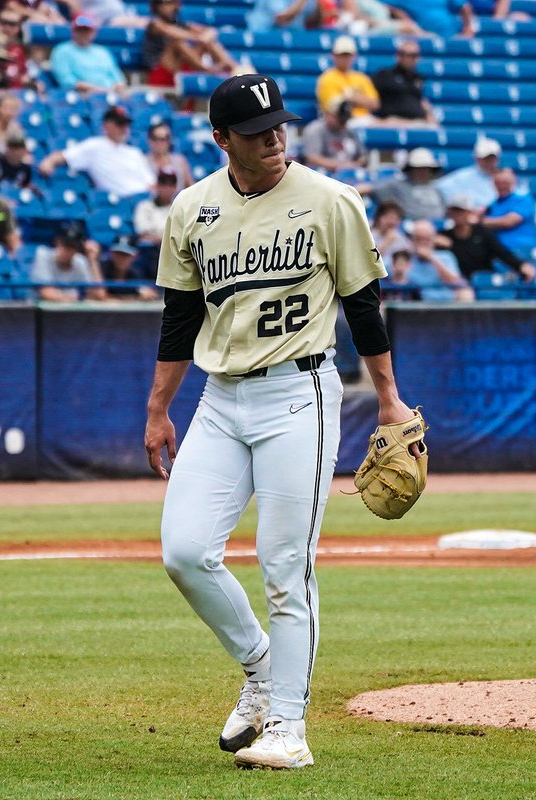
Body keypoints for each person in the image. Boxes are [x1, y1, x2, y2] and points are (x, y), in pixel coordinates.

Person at [146, 74, 420, 771]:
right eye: (256, 132)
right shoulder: (191, 209)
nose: (273, 139)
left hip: (298, 395)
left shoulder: (331, 201)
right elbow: (181, 321)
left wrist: (388, 397)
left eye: (279, 127)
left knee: (284, 568)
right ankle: (261, 668)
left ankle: (289, 729)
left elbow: (364, 305)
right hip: (219, 398)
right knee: (183, 550)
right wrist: (158, 408)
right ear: (221, 140)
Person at [38, 105, 157, 196]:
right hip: (120, 201)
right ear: (106, 125)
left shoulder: (134, 152)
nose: (124, 129)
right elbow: (65, 156)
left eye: (126, 125)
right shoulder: (95, 146)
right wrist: (49, 161)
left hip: (145, 200)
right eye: (119, 124)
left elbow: (151, 183)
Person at [143, 0, 239, 87]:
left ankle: (235, 68)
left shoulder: (179, 23)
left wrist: (205, 36)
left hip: (181, 68)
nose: (173, 7)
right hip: (161, 70)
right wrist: (202, 36)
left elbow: (209, 31)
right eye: (169, 3)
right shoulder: (156, 24)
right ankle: (208, 70)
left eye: (176, 3)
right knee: (178, 43)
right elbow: (179, 34)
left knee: (208, 42)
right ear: (157, 6)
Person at [440, 194, 535, 281]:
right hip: (456, 283)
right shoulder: (443, 236)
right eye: (455, 211)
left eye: (461, 211)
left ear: (469, 213)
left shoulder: (483, 234)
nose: (458, 215)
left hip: (483, 279)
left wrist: (520, 265)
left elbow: (501, 252)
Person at [30, 221, 108, 302]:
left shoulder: (80, 262)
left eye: (72, 246)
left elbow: (99, 295)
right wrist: (79, 299)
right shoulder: (43, 254)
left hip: (69, 312)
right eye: (65, 244)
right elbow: (47, 294)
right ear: (57, 242)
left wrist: (93, 261)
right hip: (39, 312)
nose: (67, 250)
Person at [51, 13, 126, 94]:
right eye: (80, 30)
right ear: (73, 31)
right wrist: (97, 90)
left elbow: (118, 79)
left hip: (110, 95)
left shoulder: (102, 51)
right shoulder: (62, 50)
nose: (83, 34)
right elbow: (67, 81)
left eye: (87, 30)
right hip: (81, 96)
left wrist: (116, 88)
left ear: (94, 33)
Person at [364, 147, 446, 221]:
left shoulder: (437, 189)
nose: (423, 172)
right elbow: (369, 188)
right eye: (419, 169)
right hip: (410, 230)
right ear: (410, 170)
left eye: (426, 169)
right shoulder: (398, 186)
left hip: (439, 231)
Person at [315, 36, 379, 128]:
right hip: (339, 121)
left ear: (354, 56)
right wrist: (359, 99)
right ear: (334, 55)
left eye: (347, 55)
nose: (344, 59)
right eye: (341, 55)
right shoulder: (327, 78)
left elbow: (374, 103)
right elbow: (334, 107)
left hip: (364, 118)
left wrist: (351, 97)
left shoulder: (361, 78)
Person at [370, 40, 436, 126]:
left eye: (416, 55)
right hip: (393, 121)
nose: (413, 59)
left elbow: (420, 100)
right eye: (410, 55)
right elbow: (371, 97)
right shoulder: (385, 75)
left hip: (417, 122)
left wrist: (429, 114)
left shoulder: (418, 78)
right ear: (399, 56)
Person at [482, 168, 536, 260]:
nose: (502, 186)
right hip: (499, 252)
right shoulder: (493, 204)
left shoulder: (523, 199)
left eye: (506, 182)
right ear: (493, 184)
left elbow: (509, 222)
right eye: (499, 182)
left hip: (522, 251)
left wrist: (481, 221)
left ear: (513, 182)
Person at [297, 98, 366, 172]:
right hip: (323, 174)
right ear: (329, 114)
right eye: (340, 120)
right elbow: (312, 158)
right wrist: (342, 166)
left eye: (345, 120)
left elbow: (362, 156)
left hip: (348, 174)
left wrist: (359, 163)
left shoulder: (350, 131)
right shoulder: (315, 130)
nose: (343, 124)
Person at [434, 137, 501, 209]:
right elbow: (441, 187)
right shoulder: (463, 176)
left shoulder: (504, 177)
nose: (488, 161)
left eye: (491, 158)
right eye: (485, 158)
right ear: (476, 158)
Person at [135, 167, 180, 245]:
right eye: (163, 183)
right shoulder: (144, 206)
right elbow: (144, 235)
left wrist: (158, 238)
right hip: (151, 251)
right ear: (157, 186)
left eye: (171, 184)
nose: (167, 188)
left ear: (175, 187)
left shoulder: (179, 208)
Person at [146, 121, 195, 191]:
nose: (159, 142)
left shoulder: (180, 161)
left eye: (164, 138)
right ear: (149, 140)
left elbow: (191, 187)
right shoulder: (142, 162)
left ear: (169, 141)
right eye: (155, 138)